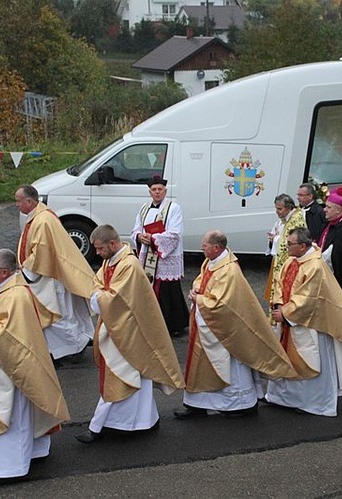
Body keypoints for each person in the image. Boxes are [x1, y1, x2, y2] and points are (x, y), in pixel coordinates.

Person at [0, 249, 69, 480]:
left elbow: (10, 335)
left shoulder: (17, 295)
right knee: (18, 416)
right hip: (4, 364)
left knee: (10, 417)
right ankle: (29, 454)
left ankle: (8, 469)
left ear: (5, 272)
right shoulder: (3, 288)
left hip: (11, 369)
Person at [76, 225, 184, 444]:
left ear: (113, 244)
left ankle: (101, 426)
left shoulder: (129, 265)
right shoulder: (110, 261)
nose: (97, 253)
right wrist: (99, 294)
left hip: (128, 332)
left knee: (122, 374)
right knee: (133, 376)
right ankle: (142, 421)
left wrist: (99, 297)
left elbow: (117, 298)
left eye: (99, 249)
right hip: (116, 327)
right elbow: (97, 285)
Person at [175, 230, 296, 420]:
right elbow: (202, 280)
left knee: (231, 367)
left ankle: (241, 404)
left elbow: (223, 305)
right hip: (206, 324)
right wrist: (196, 291)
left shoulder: (230, 270)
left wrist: (200, 299)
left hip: (227, 331)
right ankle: (196, 404)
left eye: (204, 245)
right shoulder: (211, 262)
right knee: (200, 363)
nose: (201, 247)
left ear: (216, 248)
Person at [267, 227, 342, 416]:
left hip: (310, 325)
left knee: (310, 361)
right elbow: (279, 282)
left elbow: (309, 299)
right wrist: (278, 304)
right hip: (289, 322)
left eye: (290, 244)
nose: (286, 246)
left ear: (302, 246)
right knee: (286, 359)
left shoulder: (315, 266)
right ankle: (283, 398)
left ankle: (311, 402)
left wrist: (285, 313)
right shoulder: (292, 260)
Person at [15, 184, 95, 365]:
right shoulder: (40, 215)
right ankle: (60, 349)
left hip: (49, 277)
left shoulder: (43, 221)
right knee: (58, 314)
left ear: (29, 201)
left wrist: (24, 270)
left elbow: (42, 252)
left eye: (19, 201)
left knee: (56, 314)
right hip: (49, 273)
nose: (16, 205)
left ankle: (76, 346)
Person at [131, 175, 190, 337]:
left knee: (168, 290)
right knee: (149, 287)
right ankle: (151, 322)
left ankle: (174, 325)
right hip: (148, 254)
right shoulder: (144, 208)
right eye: (154, 190)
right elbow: (135, 229)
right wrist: (139, 237)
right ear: (149, 192)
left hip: (165, 256)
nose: (157, 193)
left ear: (165, 191)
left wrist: (153, 238)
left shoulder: (173, 208)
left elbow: (175, 233)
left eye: (160, 190)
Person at [265, 193, 307, 302]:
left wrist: (275, 239)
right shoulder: (286, 218)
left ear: (289, 207)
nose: (277, 211)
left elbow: (287, 244)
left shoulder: (296, 220)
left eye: (279, 209)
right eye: (276, 208)